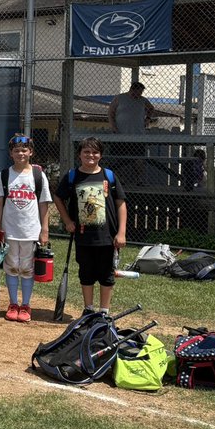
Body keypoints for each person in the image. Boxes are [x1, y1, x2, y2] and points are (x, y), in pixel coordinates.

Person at [54, 136, 127, 317]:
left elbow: (121, 203)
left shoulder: (109, 176)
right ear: (79, 154)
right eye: (86, 152)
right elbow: (58, 198)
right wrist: (67, 221)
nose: (91, 155)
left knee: (106, 273)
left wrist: (121, 232)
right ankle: (88, 309)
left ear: (100, 155)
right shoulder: (72, 176)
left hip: (107, 236)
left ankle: (104, 312)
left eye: (95, 152)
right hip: (83, 235)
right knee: (86, 272)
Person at [0, 134, 52, 323]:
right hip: (10, 230)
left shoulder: (38, 176)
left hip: (30, 231)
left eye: (24, 150)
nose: (20, 153)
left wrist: (44, 230)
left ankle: (25, 305)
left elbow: (44, 204)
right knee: (11, 267)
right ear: (11, 153)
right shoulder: (4, 175)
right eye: (16, 150)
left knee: (27, 268)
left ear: (31, 152)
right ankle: (13, 304)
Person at [108, 80, 156, 183]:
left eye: (141, 93)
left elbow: (151, 108)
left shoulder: (143, 100)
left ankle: (139, 179)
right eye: (138, 92)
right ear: (132, 90)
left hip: (138, 135)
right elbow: (111, 112)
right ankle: (120, 179)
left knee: (139, 158)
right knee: (119, 158)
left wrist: (148, 118)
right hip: (121, 134)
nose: (139, 95)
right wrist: (113, 127)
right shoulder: (119, 98)